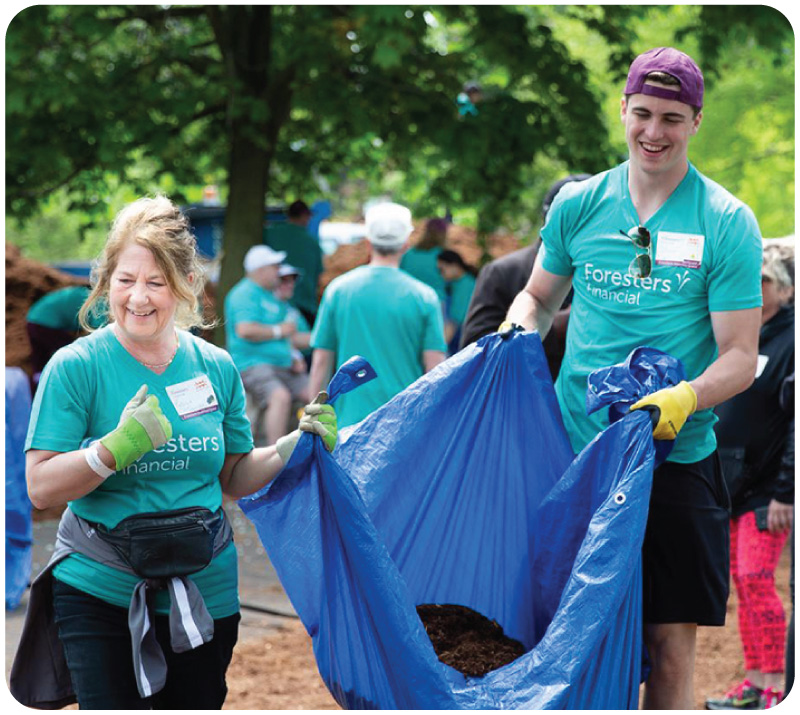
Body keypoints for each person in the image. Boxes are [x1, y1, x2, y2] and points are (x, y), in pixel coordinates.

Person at [503, 47, 764, 709]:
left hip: (675, 460)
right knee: (565, 633)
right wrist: (514, 333)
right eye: (642, 112)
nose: (654, 130)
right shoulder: (579, 205)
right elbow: (536, 297)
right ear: (622, 110)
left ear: (695, 121)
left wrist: (684, 397)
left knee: (669, 644)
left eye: (671, 117)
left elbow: (739, 355)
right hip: (575, 455)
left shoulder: (727, 221)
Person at [11, 195, 337, 710]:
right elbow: (40, 486)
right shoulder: (77, 367)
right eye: (124, 280)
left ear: (185, 286)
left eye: (155, 282)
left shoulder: (215, 366)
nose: (138, 297)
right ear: (105, 283)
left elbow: (232, 475)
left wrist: (290, 447)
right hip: (102, 591)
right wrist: (113, 450)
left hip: (205, 593)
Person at [705, 244, 794, 711]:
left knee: (757, 578)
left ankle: (776, 687)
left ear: (785, 287)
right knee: (743, 581)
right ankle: (756, 685)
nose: (754, 288)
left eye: (763, 281)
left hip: (769, 492)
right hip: (736, 483)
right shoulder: (746, 333)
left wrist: (787, 490)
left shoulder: (792, 339)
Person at [308, 202, 447, 428]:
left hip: (347, 425)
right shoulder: (424, 297)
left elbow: (321, 362)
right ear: (405, 244)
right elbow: (435, 369)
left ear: (368, 242)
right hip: (404, 425)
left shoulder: (338, 290)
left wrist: (314, 420)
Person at [458, 174, 591, 379]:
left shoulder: (608, 274)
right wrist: (551, 328)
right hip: (523, 401)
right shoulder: (503, 271)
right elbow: (472, 350)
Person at [225, 245, 310, 445]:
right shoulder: (243, 293)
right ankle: (275, 457)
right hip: (252, 364)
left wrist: (295, 356)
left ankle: (318, 450)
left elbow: (290, 337)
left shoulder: (271, 295)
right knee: (280, 397)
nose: (278, 271)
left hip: (283, 365)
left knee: (316, 393)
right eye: (275, 266)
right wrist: (279, 330)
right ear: (260, 269)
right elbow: (245, 330)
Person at [263, 199, 324, 326]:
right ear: (304, 216)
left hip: (273, 301)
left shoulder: (269, 233)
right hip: (304, 302)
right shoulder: (312, 242)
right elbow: (319, 275)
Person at [26, 284, 104, 376]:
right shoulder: (98, 301)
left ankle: (37, 386)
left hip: (32, 319)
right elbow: (98, 331)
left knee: (40, 360)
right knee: (74, 353)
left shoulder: (80, 293)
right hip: (47, 322)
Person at [435, 249, 476, 355]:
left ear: (454, 265)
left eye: (441, 270)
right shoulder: (455, 283)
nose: (440, 274)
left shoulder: (466, 286)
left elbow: (453, 324)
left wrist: (437, 350)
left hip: (466, 341)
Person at [399, 216, 448, 304]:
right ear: (444, 234)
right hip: (436, 301)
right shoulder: (444, 255)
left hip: (409, 301)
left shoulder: (409, 254)